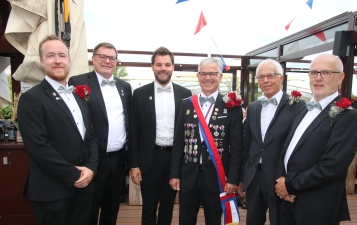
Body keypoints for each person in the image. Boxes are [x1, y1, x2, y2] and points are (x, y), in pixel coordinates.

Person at [17, 35, 98, 225]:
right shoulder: (31, 99)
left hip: (84, 187)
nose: (57, 61)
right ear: (41, 61)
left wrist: (91, 169)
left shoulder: (78, 97)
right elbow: (38, 147)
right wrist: (74, 174)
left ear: (69, 60)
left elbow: (91, 137)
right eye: (51, 55)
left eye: (62, 55)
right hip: (52, 190)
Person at [275, 53, 357, 225]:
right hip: (288, 201)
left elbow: (332, 167)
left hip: (317, 207)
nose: (318, 78)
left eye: (326, 73)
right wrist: (281, 181)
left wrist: (289, 184)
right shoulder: (302, 109)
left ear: (340, 78)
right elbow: (286, 149)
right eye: (313, 72)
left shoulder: (347, 116)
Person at [169, 57, 243, 225]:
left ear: (220, 76)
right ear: (198, 76)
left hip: (217, 177)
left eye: (212, 73)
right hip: (189, 175)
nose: (207, 78)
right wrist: (174, 174)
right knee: (186, 220)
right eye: (204, 74)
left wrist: (232, 178)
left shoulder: (231, 107)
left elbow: (237, 147)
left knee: (213, 220)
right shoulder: (187, 104)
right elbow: (179, 142)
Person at [68, 42, 132, 225]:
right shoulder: (78, 82)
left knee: (112, 208)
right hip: (92, 159)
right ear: (93, 59)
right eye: (102, 56)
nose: (107, 61)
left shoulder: (124, 87)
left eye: (112, 58)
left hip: (118, 160)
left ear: (116, 62)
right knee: (89, 208)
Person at [130, 47, 191, 225]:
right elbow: (134, 131)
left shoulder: (185, 94)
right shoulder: (140, 94)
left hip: (175, 159)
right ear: (152, 67)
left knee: (168, 207)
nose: (163, 68)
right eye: (159, 64)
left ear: (173, 67)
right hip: (150, 159)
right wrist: (134, 164)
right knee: (148, 208)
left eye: (167, 64)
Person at [239, 59, 304, 225]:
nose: (266, 80)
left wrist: (290, 180)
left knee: (280, 221)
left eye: (270, 76)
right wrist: (242, 177)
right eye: (261, 77)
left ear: (281, 78)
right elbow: (247, 145)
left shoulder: (297, 107)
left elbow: (299, 147)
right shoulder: (253, 107)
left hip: (279, 178)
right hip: (254, 176)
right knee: (252, 221)